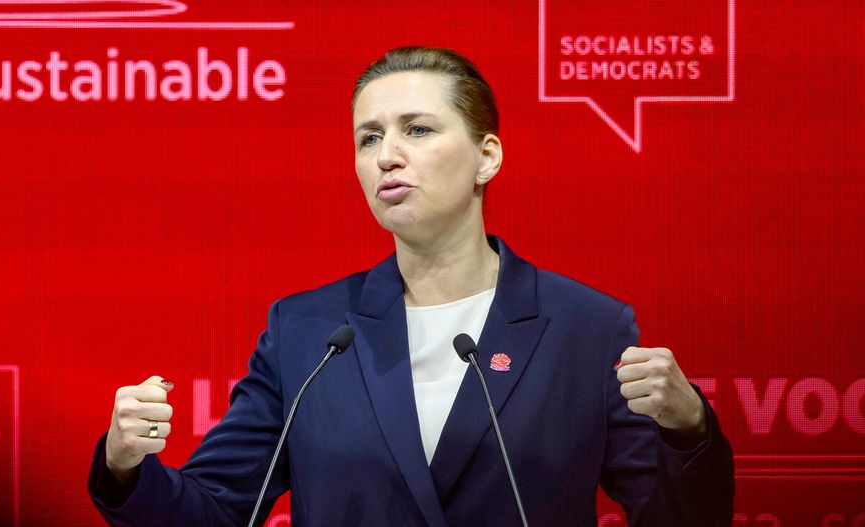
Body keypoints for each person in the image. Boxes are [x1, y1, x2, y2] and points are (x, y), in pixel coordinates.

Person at [88, 46, 735, 526]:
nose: (386, 155)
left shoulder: (585, 327)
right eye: (369, 137)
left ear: (487, 156)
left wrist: (689, 429)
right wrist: (125, 464)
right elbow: (217, 511)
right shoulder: (307, 332)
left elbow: (677, 519)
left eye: (417, 129)